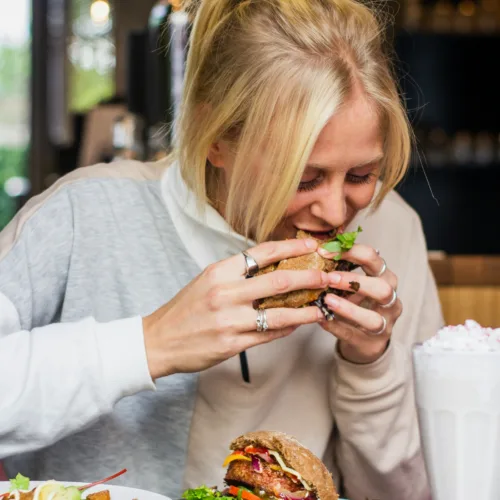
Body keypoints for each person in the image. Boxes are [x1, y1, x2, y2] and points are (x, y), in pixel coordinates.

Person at [0, 1, 444, 499]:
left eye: (362, 175)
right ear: (216, 138)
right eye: (303, 177)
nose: (338, 212)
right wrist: (151, 343)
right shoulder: (84, 214)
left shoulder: (393, 229)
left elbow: (416, 491)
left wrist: (370, 364)